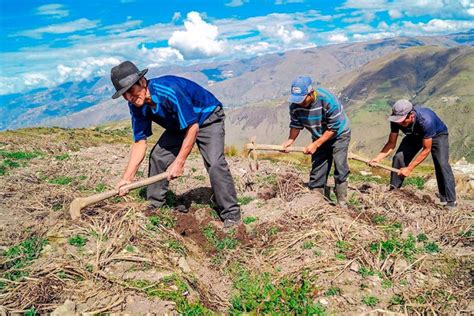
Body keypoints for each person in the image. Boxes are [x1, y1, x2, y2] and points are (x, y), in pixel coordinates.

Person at [110, 61, 241, 227]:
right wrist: (127, 179)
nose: (129, 97)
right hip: (180, 125)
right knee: (158, 157)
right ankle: (155, 205)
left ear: (142, 82)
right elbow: (139, 142)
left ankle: (231, 214)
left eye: (131, 90)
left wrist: (179, 162)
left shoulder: (169, 90)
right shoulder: (136, 105)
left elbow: (193, 128)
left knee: (215, 163)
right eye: (124, 94)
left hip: (208, 117)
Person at [369, 99, 457, 208]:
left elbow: (426, 149)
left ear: (411, 115)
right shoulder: (396, 120)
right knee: (398, 157)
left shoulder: (426, 120)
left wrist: (409, 168)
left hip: (437, 135)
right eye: (398, 121)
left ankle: (450, 200)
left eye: (402, 121)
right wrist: (377, 158)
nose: (400, 123)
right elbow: (391, 144)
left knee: (442, 164)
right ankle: (394, 191)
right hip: (414, 135)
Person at [282, 76, 351, 205]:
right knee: (319, 165)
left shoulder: (328, 100)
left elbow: (334, 127)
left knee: (340, 164)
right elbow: (296, 124)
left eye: (302, 99)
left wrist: (316, 143)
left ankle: (342, 201)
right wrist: (290, 140)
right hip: (318, 134)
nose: (300, 103)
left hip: (339, 134)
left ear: (311, 93)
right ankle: (317, 199)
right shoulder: (295, 106)